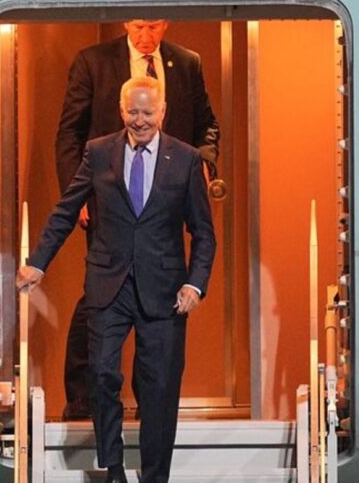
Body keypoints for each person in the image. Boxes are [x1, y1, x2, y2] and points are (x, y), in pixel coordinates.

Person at [18, 77, 216, 483]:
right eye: (132, 112)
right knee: (103, 374)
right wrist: (38, 262)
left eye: (147, 112)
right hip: (108, 284)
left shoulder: (186, 159)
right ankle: (113, 467)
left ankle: (155, 475)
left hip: (165, 292)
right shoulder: (98, 151)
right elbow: (65, 210)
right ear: (122, 110)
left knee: (159, 387)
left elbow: (204, 232)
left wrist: (195, 285)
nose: (139, 120)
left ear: (162, 112)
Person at [55, 20, 220, 420]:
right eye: (140, 24)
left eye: (155, 24)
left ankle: (154, 403)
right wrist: (76, 195)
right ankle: (83, 397)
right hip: (108, 203)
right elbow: (69, 134)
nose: (148, 31)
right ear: (128, 23)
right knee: (100, 294)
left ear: (165, 24)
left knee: (159, 296)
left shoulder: (187, 62)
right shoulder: (93, 61)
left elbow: (207, 126)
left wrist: (204, 164)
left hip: (164, 201)